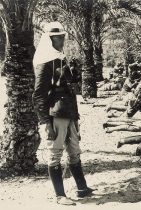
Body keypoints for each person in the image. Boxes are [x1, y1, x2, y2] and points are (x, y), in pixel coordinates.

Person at [32, 22, 93, 205]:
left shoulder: (60, 59)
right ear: (50, 39)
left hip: (69, 112)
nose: (62, 40)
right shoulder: (45, 63)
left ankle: (82, 188)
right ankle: (60, 195)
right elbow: (39, 95)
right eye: (58, 37)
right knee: (55, 154)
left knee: (74, 151)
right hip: (56, 114)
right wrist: (46, 123)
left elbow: (69, 88)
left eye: (62, 36)